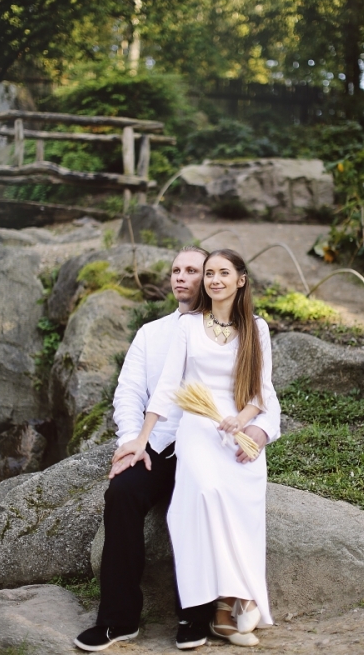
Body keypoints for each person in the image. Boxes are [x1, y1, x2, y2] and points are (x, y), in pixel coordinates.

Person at [74, 246, 280, 652]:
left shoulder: (246, 328)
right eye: (176, 270)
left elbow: (263, 394)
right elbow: (130, 394)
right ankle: (118, 619)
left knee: (197, 499)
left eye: (194, 269)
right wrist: (134, 442)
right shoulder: (152, 334)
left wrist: (259, 432)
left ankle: (195, 616)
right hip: (159, 446)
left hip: (208, 440)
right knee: (122, 493)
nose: (183, 276)